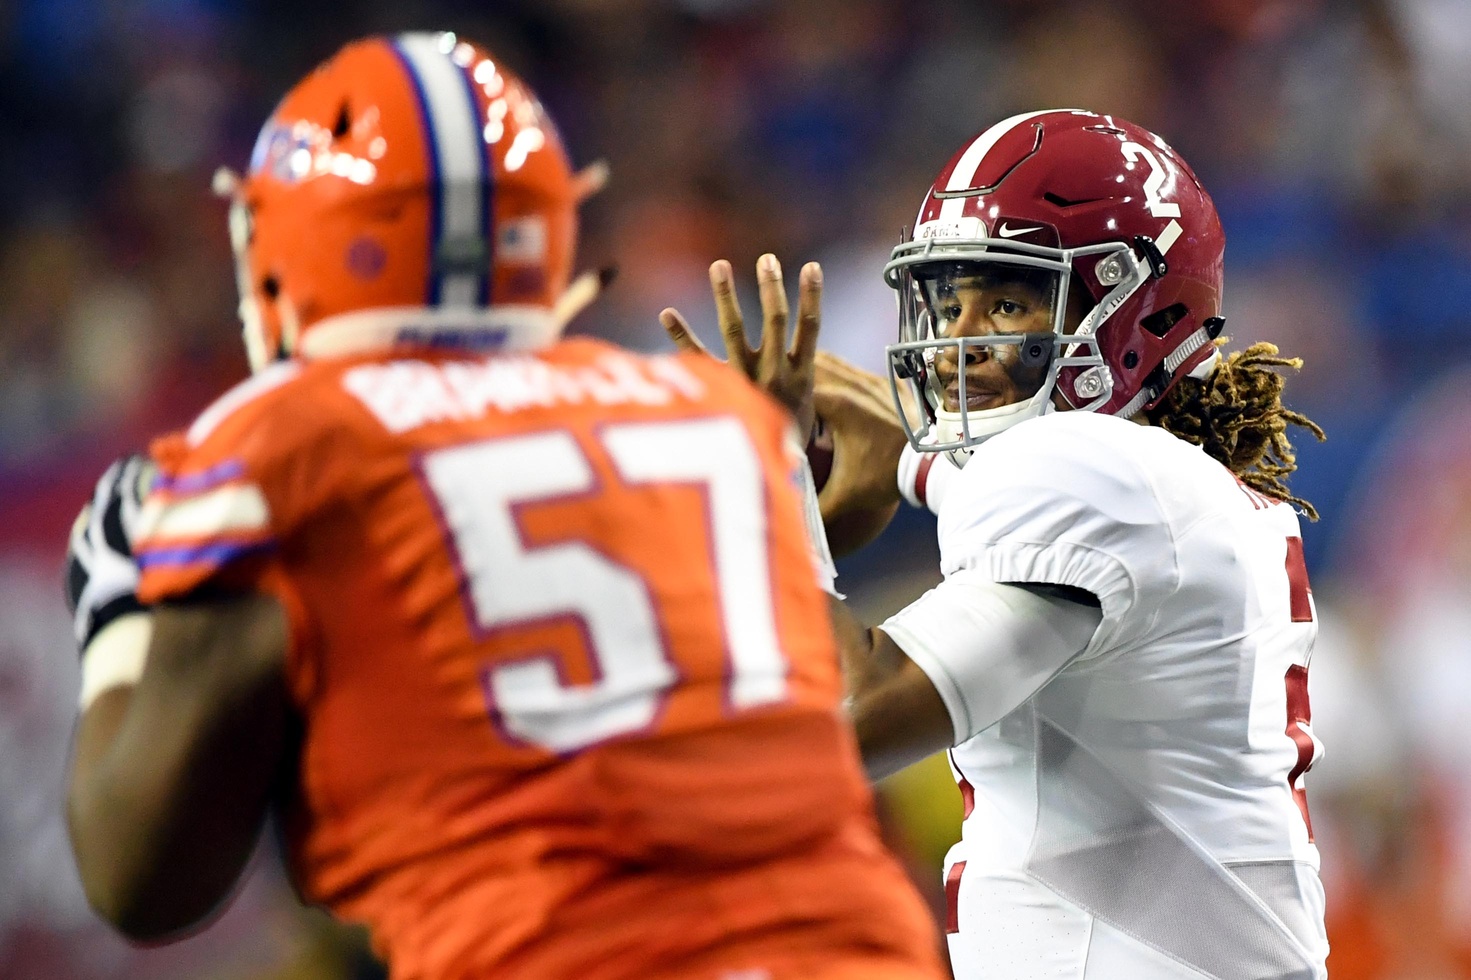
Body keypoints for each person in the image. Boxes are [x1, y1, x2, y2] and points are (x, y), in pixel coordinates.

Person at [61, 33, 947, 980]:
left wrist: (120, 623)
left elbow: (143, 884)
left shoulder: (283, 443)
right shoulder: (707, 410)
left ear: (287, 239)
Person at [662, 109, 1330, 979]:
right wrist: (905, 464)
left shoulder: (1089, 468)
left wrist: (768, 479)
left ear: (1134, 313)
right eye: (947, 302)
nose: (953, 345)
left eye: (1008, 300)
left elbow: (843, 718)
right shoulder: (1172, 484)